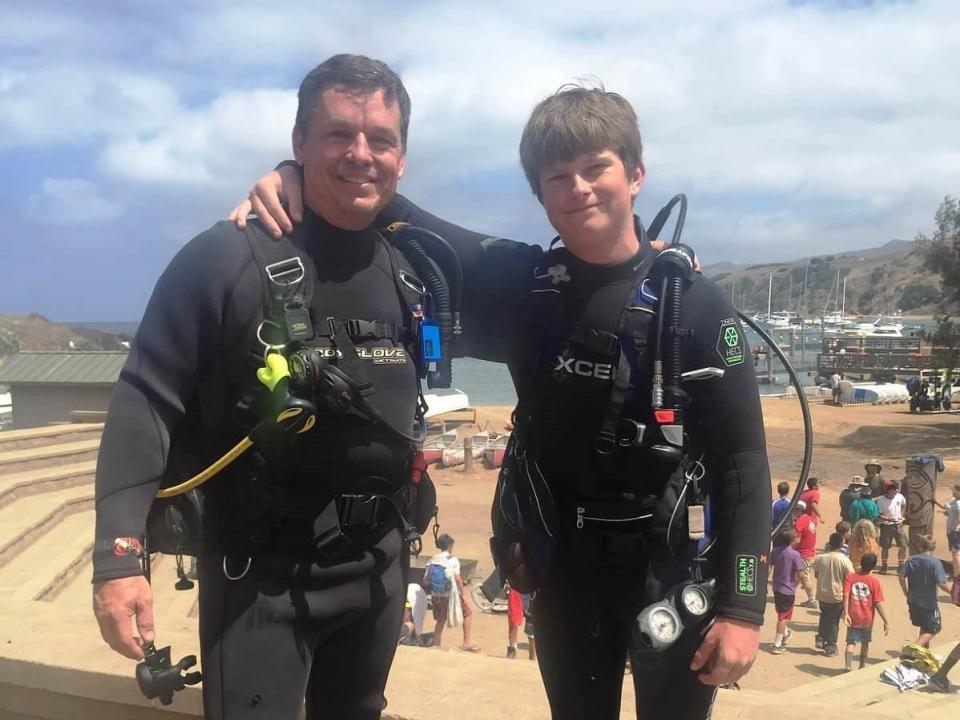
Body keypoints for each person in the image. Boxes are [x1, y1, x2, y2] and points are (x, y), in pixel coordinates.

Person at [235, 81, 771, 720]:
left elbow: (743, 463)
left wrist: (743, 608)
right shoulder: (526, 286)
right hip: (562, 569)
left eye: (596, 168)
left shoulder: (698, 308)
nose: (578, 189)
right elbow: (403, 214)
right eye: (557, 176)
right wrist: (293, 171)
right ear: (539, 194)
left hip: (671, 567)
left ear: (635, 173)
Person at [93, 55, 435, 720]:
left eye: (381, 139)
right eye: (338, 134)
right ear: (299, 143)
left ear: (402, 157)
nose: (360, 154)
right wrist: (117, 559)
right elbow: (145, 396)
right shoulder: (224, 258)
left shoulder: (413, 265)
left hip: (379, 574)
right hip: (260, 585)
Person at [424, 534, 480, 652]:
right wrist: (463, 594)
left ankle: (436, 644)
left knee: (441, 619)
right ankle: (466, 642)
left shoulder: (433, 560)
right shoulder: (452, 560)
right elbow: (458, 579)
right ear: (450, 546)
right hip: (450, 595)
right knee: (467, 613)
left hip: (436, 595)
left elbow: (425, 581)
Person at [898, 534, 951, 648]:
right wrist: (953, 593)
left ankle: (923, 652)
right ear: (933, 548)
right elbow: (942, 584)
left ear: (920, 546)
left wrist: (906, 592)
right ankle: (914, 649)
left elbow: (901, 576)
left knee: (924, 626)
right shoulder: (935, 562)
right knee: (934, 627)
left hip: (913, 600)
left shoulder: (911, 560)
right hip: (929, 603)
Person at [842, 552, 889, 672]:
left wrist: (846, 613)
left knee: (851, 642)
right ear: (873, 567)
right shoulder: (874, 582)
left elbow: (846, 595)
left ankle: (848, 665)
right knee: (865, 642)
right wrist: (885, 620)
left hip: (853, 616)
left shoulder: (850, 577)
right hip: (867, 619)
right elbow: (877, 603)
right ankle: (862, 666)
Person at [812, 532, 855, 657]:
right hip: (837, 595)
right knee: (834, 621)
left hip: (822, 594)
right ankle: (830, 645)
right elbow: (850, 577)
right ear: (841, 544)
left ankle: (820, 638)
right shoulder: (844, 560)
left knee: (824, 615)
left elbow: (816, 574)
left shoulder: (820, 557)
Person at [769, 527, 805, 655]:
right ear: (791, 540)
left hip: (776, 588)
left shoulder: (774, 551)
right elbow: (800, 572)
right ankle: (777, 644)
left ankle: (785, 633)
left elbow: (769, 568)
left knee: (781, 612)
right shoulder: (795, 555)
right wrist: (803, 583)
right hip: (788, 590)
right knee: (783, 617)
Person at [876, 479, 908, 574]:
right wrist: (887, 519)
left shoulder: (899, 496)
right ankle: (884, 565)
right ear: (888, 490)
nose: (896, 490)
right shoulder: (881, 501)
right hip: (886, 526)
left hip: (898, 524)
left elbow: (904, 504)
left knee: (903, 544)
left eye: (896, 488)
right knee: (886, 547)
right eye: (894, 488)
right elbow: (879, 514)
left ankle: (901, 565)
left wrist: (902, 514)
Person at [794, 500, 819, 607]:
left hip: (803, 553)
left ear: (799, 510)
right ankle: (788, 594)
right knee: (796, 576)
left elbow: (797, 540)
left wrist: (789, 549)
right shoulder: (811, 520)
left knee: (804, 577)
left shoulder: (800, 522)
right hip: (809, 552)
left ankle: (812, 600)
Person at [946, 484, 960, 579]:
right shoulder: (954, 502)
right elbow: (946, 508)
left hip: (955, 531)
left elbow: (959, 517)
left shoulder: (958, 503)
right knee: (956, 553)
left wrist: (953, 527)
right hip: (953, 531)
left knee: (956, 554)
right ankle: (956, 573)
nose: (952, 492)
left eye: (954, 491)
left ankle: (957, 575)